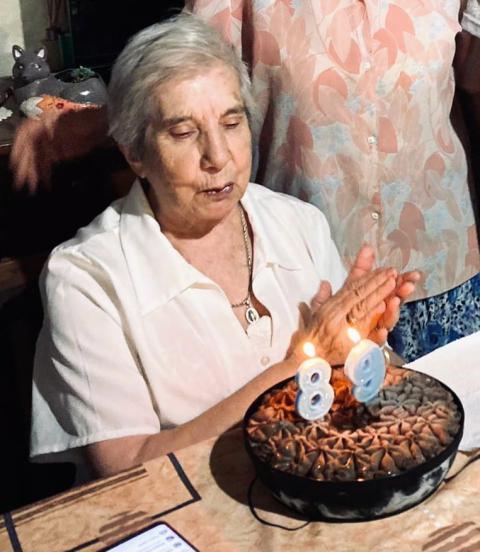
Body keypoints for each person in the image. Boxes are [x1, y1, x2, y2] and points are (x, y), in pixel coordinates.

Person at [30, 14, 418, 481]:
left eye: (232, 123)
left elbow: (355, 396)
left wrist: (363, 346)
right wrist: (298, 366)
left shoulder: (298, 223)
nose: (219, 157)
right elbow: (126, 470)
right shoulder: (85, 278)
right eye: (184, 132)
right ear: (135, 152)